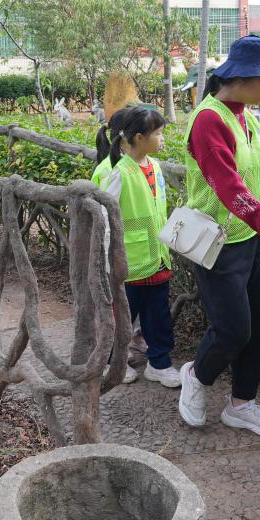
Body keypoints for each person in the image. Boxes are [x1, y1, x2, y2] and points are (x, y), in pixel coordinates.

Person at [177, 34, 260, 437]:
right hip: (217, 241)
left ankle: (242, 404)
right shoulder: (208, 118)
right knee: (232, 329)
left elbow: (243, 158)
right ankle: (197, 376)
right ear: (245, 77)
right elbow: (225, 182)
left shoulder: (246, 114)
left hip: (251, 241)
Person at [92, 104, 179, 388]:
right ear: (139, 137)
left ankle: (160, 362)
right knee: (122, 315)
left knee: (158, 314)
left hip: (157, 257)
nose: (163, 138)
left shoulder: (154, 166)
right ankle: (114, 361)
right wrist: (108, 261)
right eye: (158, 133)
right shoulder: (118, 173)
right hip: (128, 263)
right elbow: (104, 217)